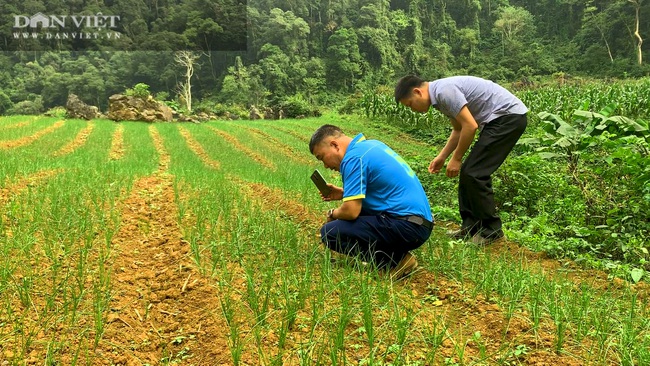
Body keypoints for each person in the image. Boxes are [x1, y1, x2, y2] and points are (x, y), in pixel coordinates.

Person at [394, 75, 528, 244]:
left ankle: (492, 232)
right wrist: (442, 157)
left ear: (417, 92)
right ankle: (471, 228)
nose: (413, 110)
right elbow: (458, 130)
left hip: (508, 117)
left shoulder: (444, 92)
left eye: (410, 104)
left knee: (475, 173)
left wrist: (456, 158)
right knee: (469, 172)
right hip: (500, 120)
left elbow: (470, 126)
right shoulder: (439, 98)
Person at [309, 124, 433, 280]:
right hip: (420, 223)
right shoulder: (371, 145)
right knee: (349, 220)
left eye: (322, 157)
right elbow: (382, 190)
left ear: (334, 145)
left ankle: (395, 260)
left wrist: (332, 213)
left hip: (407, 226)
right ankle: (394, 257)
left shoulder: (353, 158)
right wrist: (344, 193)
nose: (326, 165)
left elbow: (351, 211)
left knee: (329, 233)